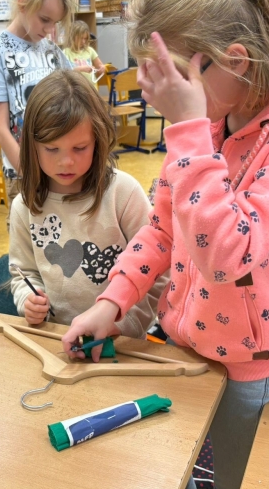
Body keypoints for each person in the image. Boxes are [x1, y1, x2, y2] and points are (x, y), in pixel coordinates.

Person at [59, 0, 269, 489]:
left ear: (235, 60)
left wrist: (189, 129)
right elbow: (163, 229)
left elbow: (227, 254)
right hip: (184, 347)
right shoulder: (211, 117)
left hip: (251, 370)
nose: (157, 98)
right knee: (173, 474)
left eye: (171, 81)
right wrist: (112, 301)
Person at [10, 70, 162, 337]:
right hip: (58, 338)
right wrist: (28, 300)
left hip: (121, 342)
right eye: (52, 149)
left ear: (97, 140)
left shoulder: (123, 193)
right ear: (32, 146)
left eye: (79, 148)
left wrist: (122, 326)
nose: (66, 161)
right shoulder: (24, 206)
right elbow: (24, 273)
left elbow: (157, 272)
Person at [0, 0, 75, 225]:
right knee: (27, 241)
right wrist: (32, 175)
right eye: (44, 19)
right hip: (24, 175)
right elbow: (1, 130)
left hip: (63, 169)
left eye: (55, 23)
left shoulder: (52, 50)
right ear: (22, 4)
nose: (49, 29)